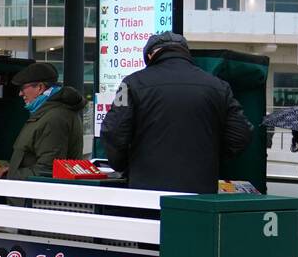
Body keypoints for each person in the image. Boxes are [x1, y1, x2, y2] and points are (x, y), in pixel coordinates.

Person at [100, 32, 251, 193]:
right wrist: (211, 158)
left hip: (146, 191)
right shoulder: (219, 86)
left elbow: (113, 131)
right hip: (201, 194)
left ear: (150, 55)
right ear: (185, 53)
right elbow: (241, 132)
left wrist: (125, 166)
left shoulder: (132, 83)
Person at [5, 62, 85, 179]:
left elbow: (47, 170)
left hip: (34, 196)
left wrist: (11, 176)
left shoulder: (54, 118)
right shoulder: (50, 113)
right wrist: (13, 169)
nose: (20, 93)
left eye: (23, 88)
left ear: (40, 87)